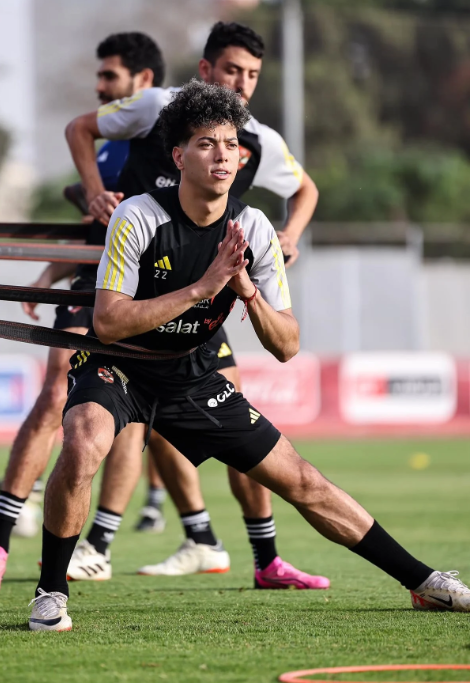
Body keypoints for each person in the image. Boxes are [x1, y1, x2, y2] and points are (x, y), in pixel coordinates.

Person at [28, 80, 470, 631]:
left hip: (192, 373)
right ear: (178, 156)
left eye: (231, 145)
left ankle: (425, 583)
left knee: (303, 480)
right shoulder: (137, 216)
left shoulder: (255, 227)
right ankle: (50, 591)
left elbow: (287, 345)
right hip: (118, 364)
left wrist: (248, 292)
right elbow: (109, 322)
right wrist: (202, 287)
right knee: (82, 443)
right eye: (206, 143)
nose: (222, 155)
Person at [65, 21, 326, 589]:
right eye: (232, 69)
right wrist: (93, 192)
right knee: (115, 423)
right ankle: (143, 541)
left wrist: (290, 235)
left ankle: (263, 557)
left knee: (238, 427)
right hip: (140, 303)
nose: (243, 82)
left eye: (253, 74)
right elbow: (79, 127)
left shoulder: (259, 139)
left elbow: (306, 189)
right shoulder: (155, 106)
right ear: (206, 70)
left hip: (206, 305)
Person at [0, 31, 166, 587]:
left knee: (134, 416)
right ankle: (1, 538)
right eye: (99, 75)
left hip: (150, 290)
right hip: (91, 283)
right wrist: (47, 274)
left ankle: (101, 543)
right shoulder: (106, 141)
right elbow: (92, 223)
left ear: (144, 81)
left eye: (109, 75)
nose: (99, 86)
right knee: (54, 393)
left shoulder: (168, 134)